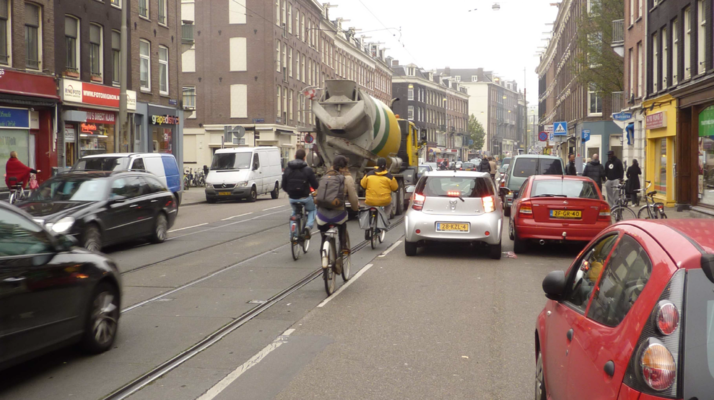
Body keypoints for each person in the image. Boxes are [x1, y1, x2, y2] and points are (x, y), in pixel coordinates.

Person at [315, 155, 359, 261]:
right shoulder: (347, 178)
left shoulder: (324, 177)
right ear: (343, 168)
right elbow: (353, 199)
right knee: (342, 225)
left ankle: (323, 251)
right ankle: (343, 246)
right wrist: (355, 208)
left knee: (324, 234)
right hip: (338, 215)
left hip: (321, 216)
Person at [282, 149, 320, 235]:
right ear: (304, 158)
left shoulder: (287, 170)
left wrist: (290, 192)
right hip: (305, 197)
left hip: (292, 198)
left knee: (294, 212)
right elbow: (315, 185)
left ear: (295, 157)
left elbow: (283, 186)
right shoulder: (308, 170)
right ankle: (308, 226)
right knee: (312, 209)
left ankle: (293, 234)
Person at [361, 158, 398, 239]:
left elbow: (363, 185)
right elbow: (395, 188)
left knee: (367, 208)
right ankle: (386, 219)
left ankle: (367, 227)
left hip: (370, 201)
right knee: (389, 204)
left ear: (376, 165)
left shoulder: (369, 174)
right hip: (384, 201)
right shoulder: (390, 177)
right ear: (385, 166)